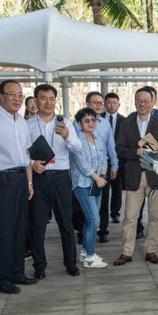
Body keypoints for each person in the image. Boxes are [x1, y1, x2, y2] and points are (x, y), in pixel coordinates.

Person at [0, 80, 37, 293]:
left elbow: (27, 154)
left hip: (21, 178)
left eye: (20, 95)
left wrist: (29, 182)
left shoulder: (21, 121)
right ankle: (2, 277)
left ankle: (17, 271)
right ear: (1, 96)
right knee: (4, 230)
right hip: (1, 179)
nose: (17, 99)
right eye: (12, 94)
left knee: (21, 228)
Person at [114, 86, 158, 265]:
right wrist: (136, 152)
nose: (142, 104)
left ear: (153, 102)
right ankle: (126, 252)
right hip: (134, 176)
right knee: (130, 216)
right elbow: (119, 149)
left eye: (146, 101)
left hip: (155, 176)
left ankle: (151, 250)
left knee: (155, 216)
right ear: (134, 102)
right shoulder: (126, 125)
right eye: (139, 101)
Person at [27, 84, 82, 279]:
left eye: (51, 99)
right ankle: (39, 266)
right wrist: (32, 163)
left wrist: (67, 136)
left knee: (66, 224)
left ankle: (71, 263)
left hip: (60, 178)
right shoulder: (28, 125)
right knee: (37, 225)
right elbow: (22, 152)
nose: (48, 102)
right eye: (43, 98)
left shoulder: (65, 123)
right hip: (39, 179)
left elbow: (77, 147)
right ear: (36, 101)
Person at [69, 107, 110, 268]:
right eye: (86, 120)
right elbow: (82, 164)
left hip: (97, 183)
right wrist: (96, 177)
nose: (91, 123)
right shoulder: (77, 140)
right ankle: (91, 257)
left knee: (90, 219)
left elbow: (103, 157)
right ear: (79, 123)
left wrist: (103, 173)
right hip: (83, 184)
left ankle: (86, 252)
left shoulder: (98, 138)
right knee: (94, 219)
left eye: (93, 120)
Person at [103, 92, 124, 229]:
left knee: (117, 188)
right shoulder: (98, 120)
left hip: (119, 159)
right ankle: (102, 215)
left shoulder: (125, 120)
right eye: (109, 102)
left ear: (118, 104)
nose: (111, 105)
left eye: (114, 102)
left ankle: (115, 212)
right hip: (103, 161)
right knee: (104, 189)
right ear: (105, 104)